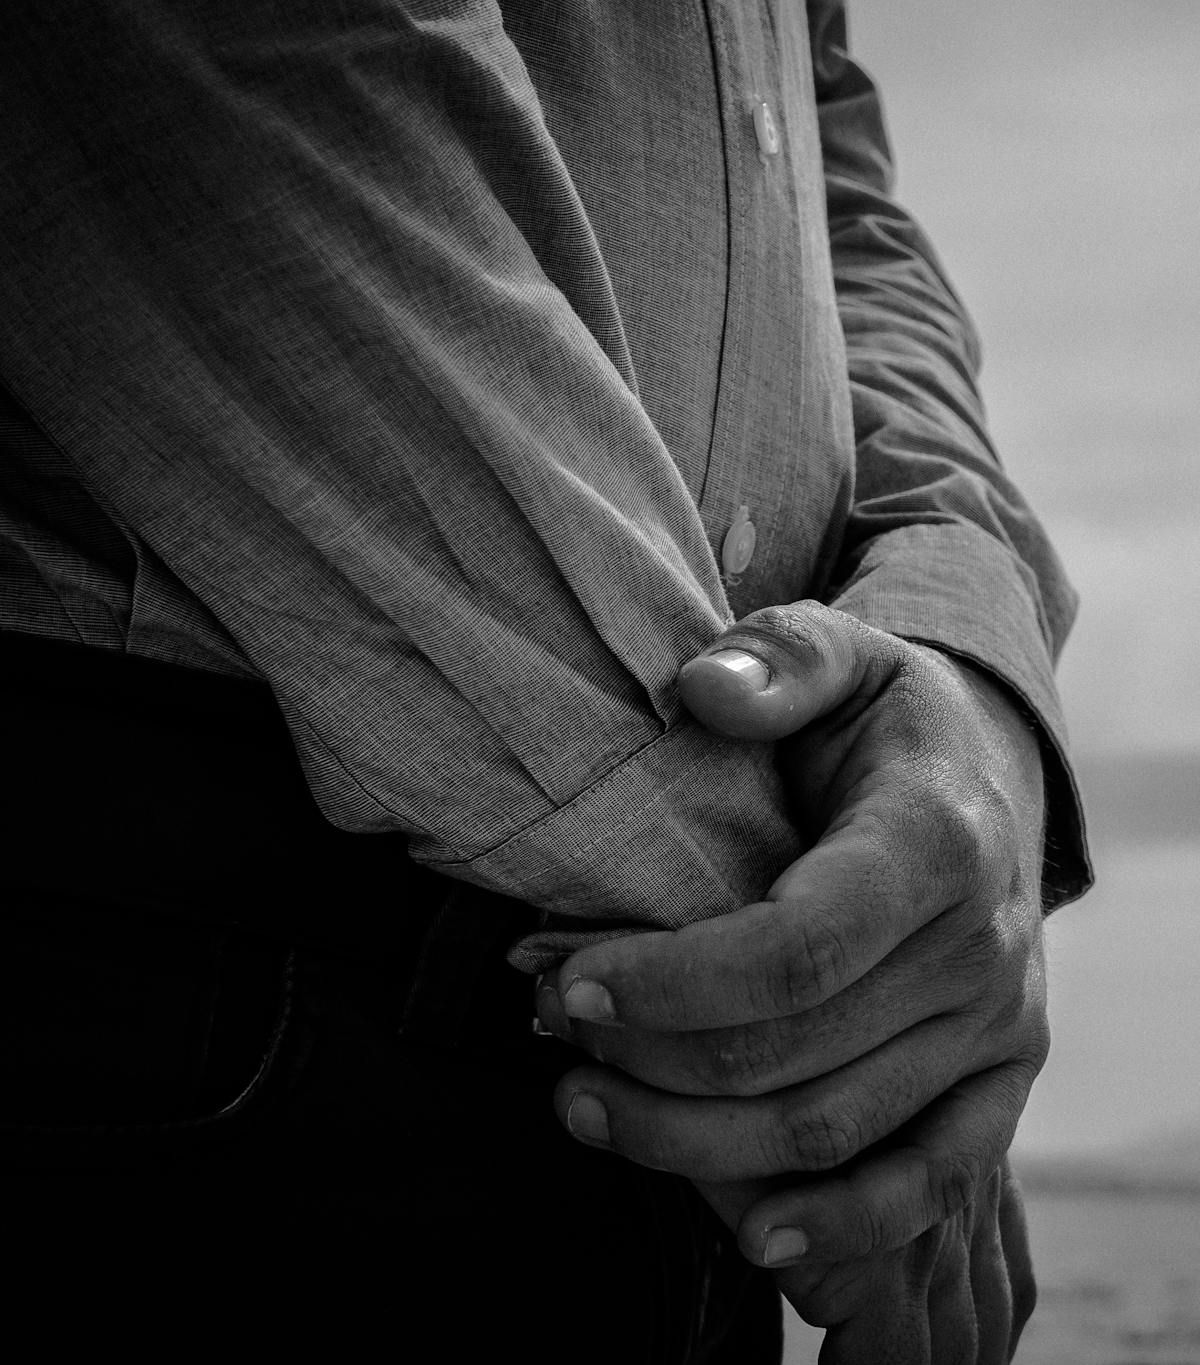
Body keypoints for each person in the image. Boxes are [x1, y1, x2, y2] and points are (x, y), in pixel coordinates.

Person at [0, 1, 1088, 1359]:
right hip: (172, 945)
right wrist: (834, 973)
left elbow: (839, 182)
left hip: (655, 1123)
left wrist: (961, 663)